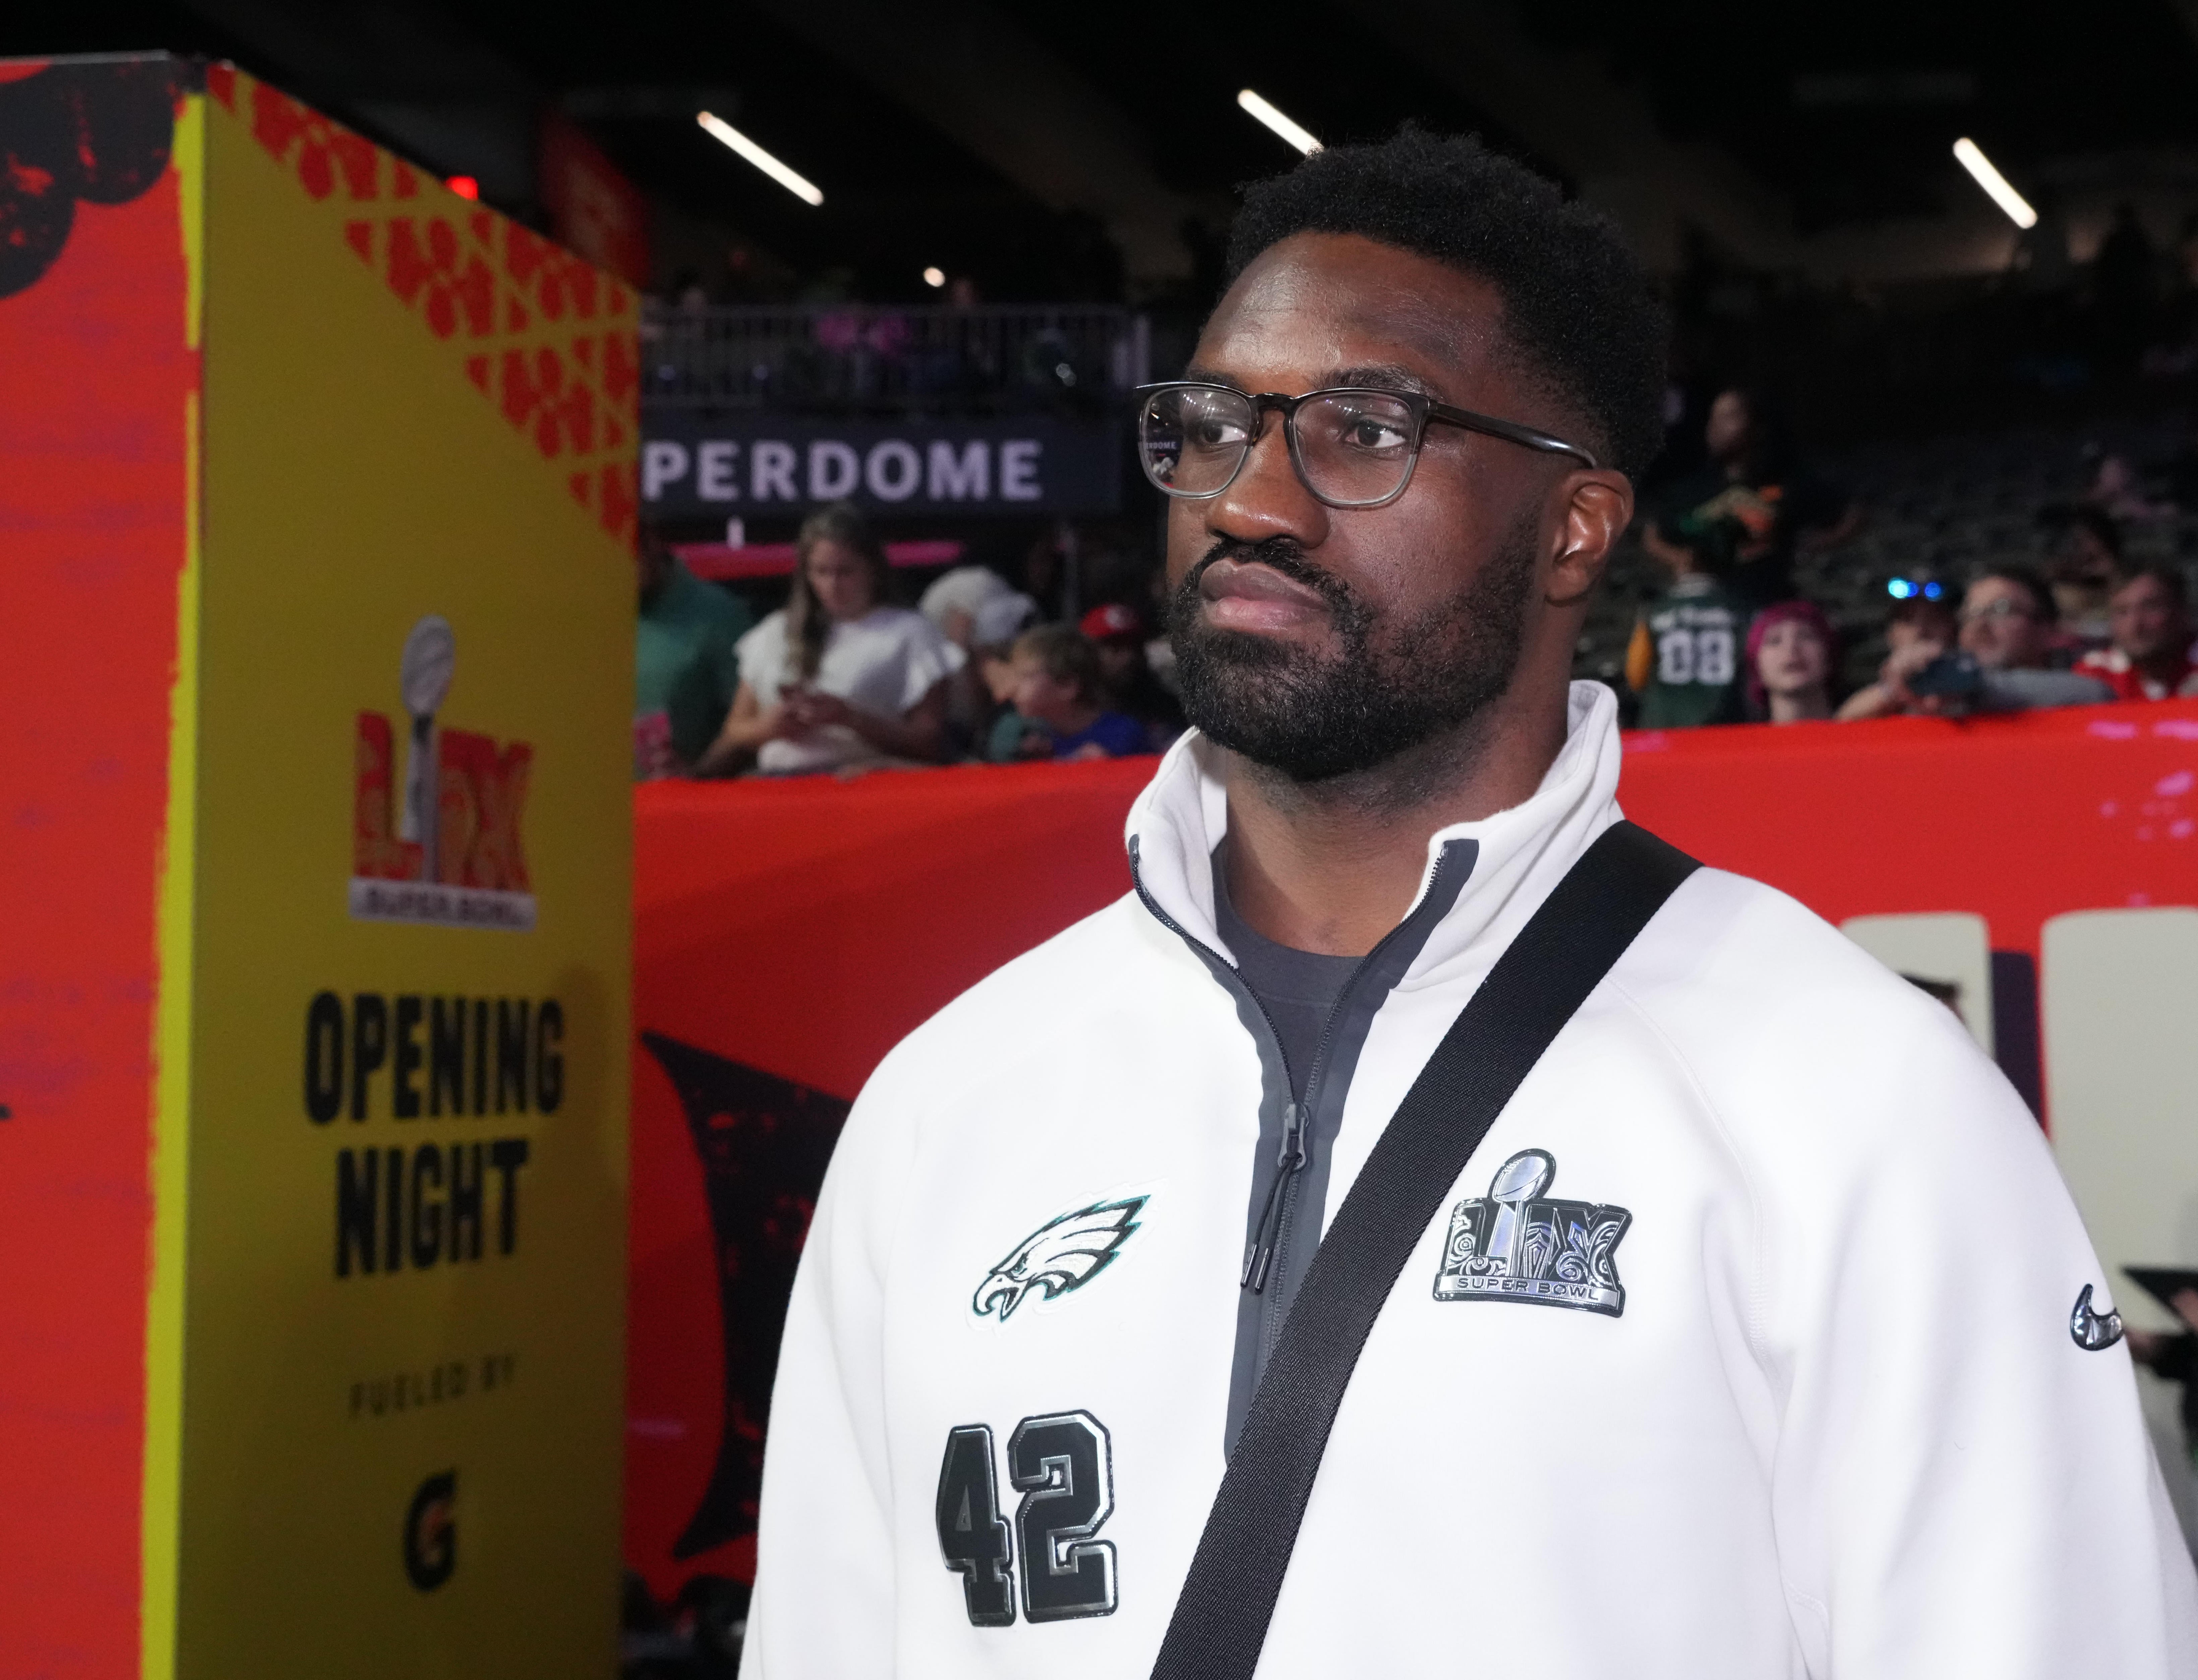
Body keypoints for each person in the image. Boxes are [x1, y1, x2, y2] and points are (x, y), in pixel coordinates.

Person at [740, 131, 2198, 1679]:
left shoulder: (1848, 1091)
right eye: (1218, 421)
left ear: (1575, 524)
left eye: (1364, 427)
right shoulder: (946, 1097)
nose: (1253, 496)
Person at [696, 503, 957, 776]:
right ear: (806, 575)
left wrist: (849, 718)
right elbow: (734, 729)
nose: (833, 585)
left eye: (845, 572)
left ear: (872, 569)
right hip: (776, 783)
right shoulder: (774, 632)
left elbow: (929, 741)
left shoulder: (911, 632)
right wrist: (769, 727)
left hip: (861, 782)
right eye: (821, 572)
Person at [1641, 386, 1860, 610]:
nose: (1715, 428)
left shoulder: (1788, 483)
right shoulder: (1693, 489)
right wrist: (1676, 558)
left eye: (1729, 417)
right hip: (1711, 607)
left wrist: (1819, 544)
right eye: (1712, 419)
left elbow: (1849, 512)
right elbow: (1654, 532)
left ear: (1758, 427)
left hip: (1770, 605)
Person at [1842, 566, 2112, 718]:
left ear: (2047, 631)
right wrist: (1900, 686)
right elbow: (1846, 724)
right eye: (1971, 614)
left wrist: (1962, 685)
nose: (1980, 625)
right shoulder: (1938, 702)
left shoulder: (2087, 687)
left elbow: (2096, 696)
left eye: (2001, 610)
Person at [634, 523, 753, 778]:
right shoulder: (576, 614)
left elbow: (752, 723)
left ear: (651, 544)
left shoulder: (719, 616)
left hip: (678, 805)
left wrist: (696, 776)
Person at [1623, 526, 1749, 728]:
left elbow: (1636, 675)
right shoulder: (1743, 609)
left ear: (1687, 562)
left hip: (1665, 726)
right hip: (1727, 726)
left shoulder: (1657, 610)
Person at [985, 624, 1148, 762]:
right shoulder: (1030, 738)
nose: (1013, 688)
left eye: (1027, 677)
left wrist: (1108, 769)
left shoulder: (1123, 735)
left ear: (1067, 686)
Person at [2078, 566, 2198, 700]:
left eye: (2150, 608)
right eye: (2122, 612)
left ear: (2182, 612)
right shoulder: (2095, 675)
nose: (2135, 625)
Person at [1080, 602, 1186, 749]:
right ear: (1086, 654)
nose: (1129, 657)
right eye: (1115, 648)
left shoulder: (1167, 709)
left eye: (1135, 646)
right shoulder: (1066, 709)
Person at [1746, 598, 1837, 722]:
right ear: (1756, 664)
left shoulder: (1863, 733)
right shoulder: (1734, 741)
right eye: (1775, 641)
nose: (1791, 649)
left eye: (1806, 636)